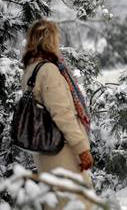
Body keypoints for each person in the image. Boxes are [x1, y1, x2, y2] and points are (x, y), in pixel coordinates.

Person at [21, 19, 94, 209]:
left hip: (44, 149)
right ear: (49, 40)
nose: (58, 42)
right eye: (56, 37)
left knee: (55, 201)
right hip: (60, 149)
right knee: (76, 201)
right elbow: (62, 114)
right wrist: (82, 148)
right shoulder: (49, 71)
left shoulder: (30, 70)